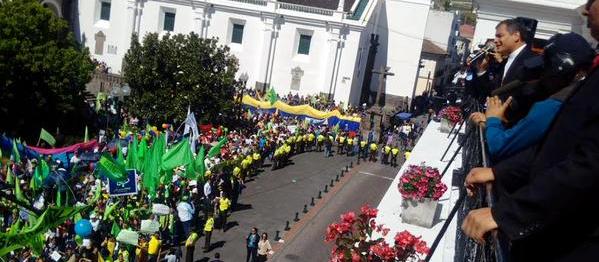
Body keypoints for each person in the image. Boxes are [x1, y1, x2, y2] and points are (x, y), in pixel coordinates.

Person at [461, 2, 599, 259]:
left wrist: (509, 213)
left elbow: (588, 164)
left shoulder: (549, 105)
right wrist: (498, 171)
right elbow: (556, 145)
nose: (585, 9)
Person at [470, 33, 594, 161]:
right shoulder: (583, 96)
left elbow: (499, 147)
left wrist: (493, 119)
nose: (538, 77)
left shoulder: (551, 106)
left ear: (561, 69)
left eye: (544, 69)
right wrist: (496, 124)